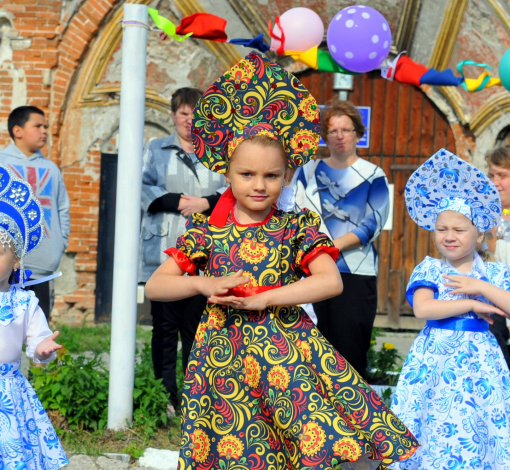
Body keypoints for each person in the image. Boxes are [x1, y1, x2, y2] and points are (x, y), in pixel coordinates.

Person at [146, 51, 418, 470]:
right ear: (228, 174)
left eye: (271, 176)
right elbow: (157, 286)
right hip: (223, 356)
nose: (259, 185)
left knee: (308, 438)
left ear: (287, 175)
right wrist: (204, 284)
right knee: (239, 446)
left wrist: (267, 298)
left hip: (284, 350)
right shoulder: (207, 228)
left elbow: (330, 282)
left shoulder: (297, 225)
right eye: (247, 175)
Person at [390, 148, 510, 469]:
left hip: (480, 360)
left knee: (476, 421)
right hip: (436, 358)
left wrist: (481, 287)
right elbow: (423, 309)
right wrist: (470, 303)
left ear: (480, 232)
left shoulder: (494, 273)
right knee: (434, 420)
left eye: (459, 230)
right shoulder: (430, 268)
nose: (449, 237)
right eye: (442, 230)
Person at [139, 87, 225, 417]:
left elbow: (230, 188)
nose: (189, 120)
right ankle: (165, 396)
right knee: (164, 329)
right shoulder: (155, 149)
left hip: (205, 257)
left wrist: (204, 202)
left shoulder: (218, 151)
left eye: (196, 113)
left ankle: (194, 399)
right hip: (165, 251)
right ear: (174, 115)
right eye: (184, 113)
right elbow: (143, 186)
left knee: (197, 330)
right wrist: (179, 201)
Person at [293, 99, 389, 379]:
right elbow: (295, 213)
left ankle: (355, 418)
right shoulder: (307, 171)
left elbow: (374, 223)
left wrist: (334, 246)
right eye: (333, 130)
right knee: (312, 349)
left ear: (358, 134)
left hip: (355, 272)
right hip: (311, 272)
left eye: (346, 130)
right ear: (325, 135)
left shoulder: (374, 175)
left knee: (349, 350)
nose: (339, 136)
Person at [0, 164, 68, 470]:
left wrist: (42, 349)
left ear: (16, 261)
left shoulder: (24, 301)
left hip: (10, 397)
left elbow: (39, 337)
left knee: (15, 453)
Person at [0, 105, 70, 319]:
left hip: (42, 268)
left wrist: (60, 243)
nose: (44, 131)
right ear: (17, 131)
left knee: (39, 334)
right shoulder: (2, 163)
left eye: (45, 126)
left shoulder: (51, 169)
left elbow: (62, 208)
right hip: (5, 270)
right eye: (37, 126)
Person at [486, 145, 510, 368]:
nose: (495, 182)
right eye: (491, 175)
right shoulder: (483, 214)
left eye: (502, 175)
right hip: (492, 309)